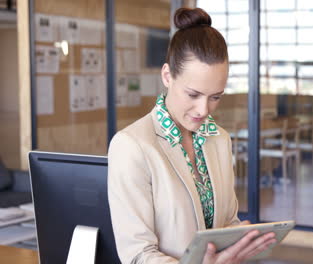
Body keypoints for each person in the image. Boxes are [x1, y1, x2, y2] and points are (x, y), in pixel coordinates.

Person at [108, 7, 276, 264]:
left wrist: (238, 244)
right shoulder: (132, 146)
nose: (203, 110)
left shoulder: (219, 139)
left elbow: (227, 222)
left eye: (215, 97)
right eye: (193, 94)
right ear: (167, 75)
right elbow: (137, 255)